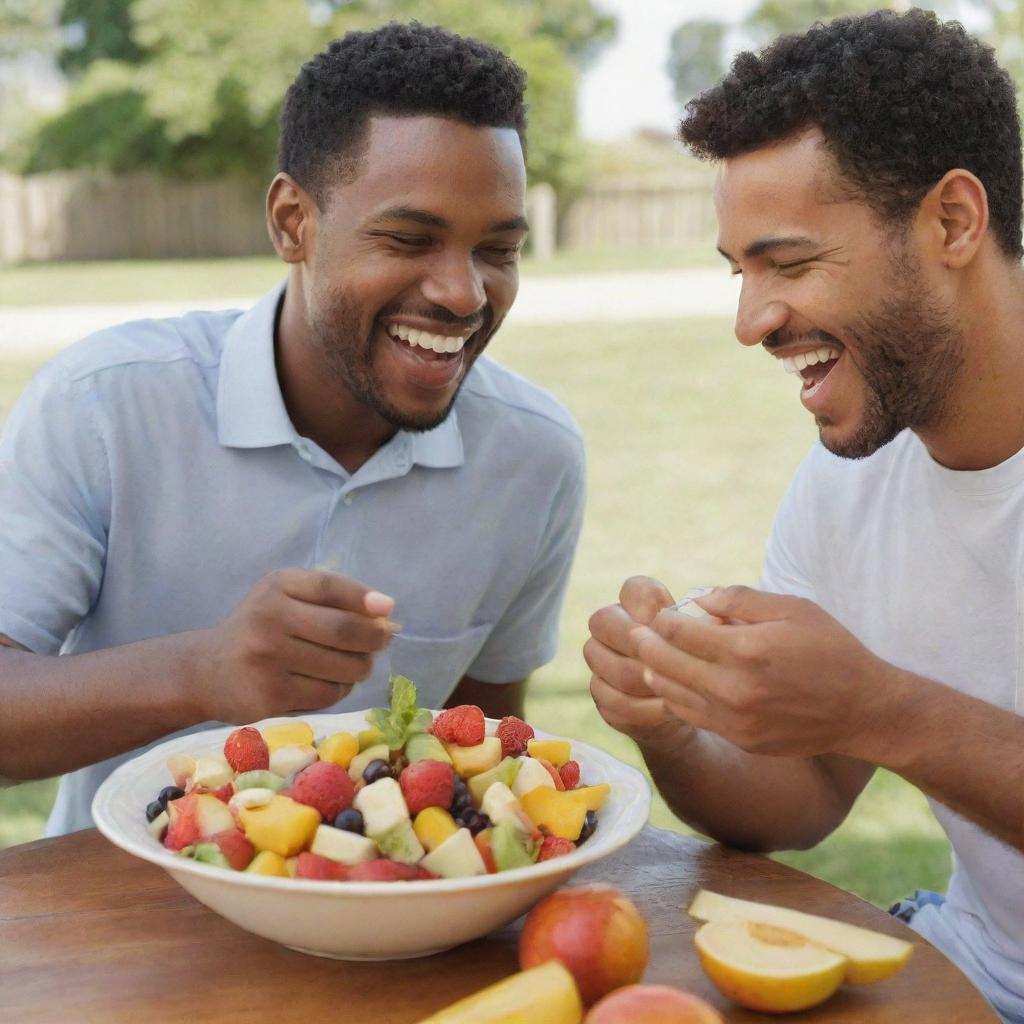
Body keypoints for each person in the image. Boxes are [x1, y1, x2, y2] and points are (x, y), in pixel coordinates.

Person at [0, 22, 585, 838]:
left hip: (390, 932)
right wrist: (202, 672)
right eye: (408, 239)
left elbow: (481, 763)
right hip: (120, 920)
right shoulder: (105, 404)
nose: (462, 293)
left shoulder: (534, 457)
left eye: (497, 249)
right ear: (291, 222)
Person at [585, 10, 1023, 1023]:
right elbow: (803, 799)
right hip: (963, 969)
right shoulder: (846, 484)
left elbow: (869, 716)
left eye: (786, 262)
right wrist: (676, 725)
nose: (750, 322)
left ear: (952, 222)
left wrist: (880, 705)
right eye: (737, 271)